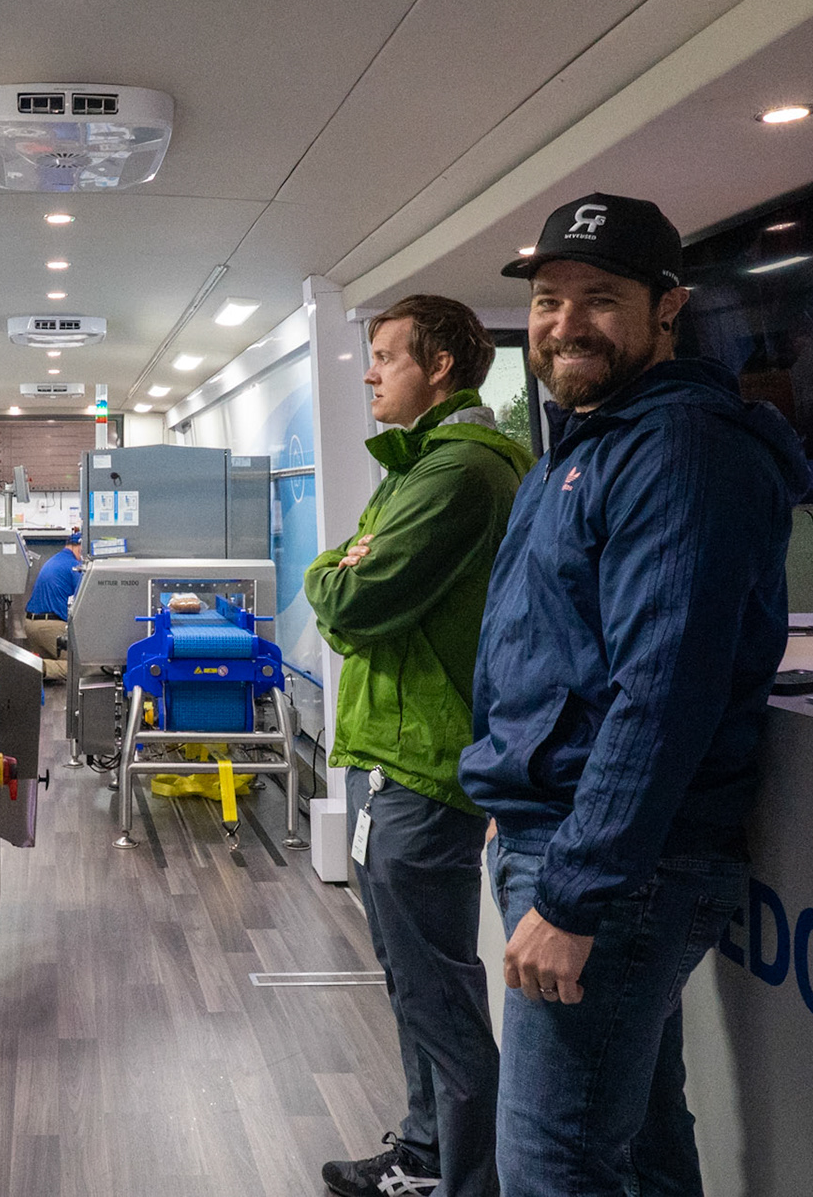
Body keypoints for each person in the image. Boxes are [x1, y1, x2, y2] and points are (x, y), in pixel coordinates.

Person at [458, 193, 809, 1196]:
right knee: (642, 1146)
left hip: (616, 870)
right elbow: (541, 644)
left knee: (554, 1169)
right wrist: (513, 798)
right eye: (548, 300)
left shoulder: (679, 450)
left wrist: (573, 887)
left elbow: (662, 691)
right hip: (567, 839)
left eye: (600, 298)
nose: (565, 323)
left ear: (668, 308)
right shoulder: (585, 442)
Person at [305, 295, 532, 1197]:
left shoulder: (461, 473)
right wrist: (344, 572)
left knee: (437, 992)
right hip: (390, 753)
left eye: (387, 356)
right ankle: (427, 1154)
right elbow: (352, 580)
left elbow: (349, 595)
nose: (368, 373)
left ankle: (468, 1179)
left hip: (427, 761)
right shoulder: (418, 465)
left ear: (439, 367)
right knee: (410, 981)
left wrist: (333, 573)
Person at [23, 530, 82, 680]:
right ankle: (35, 667)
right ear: (79, 546)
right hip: (51, 627)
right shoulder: (74, 566)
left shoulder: (55, 560)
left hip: (31, 625)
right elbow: (84, 600)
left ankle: (37, 666)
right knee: (81, 667)